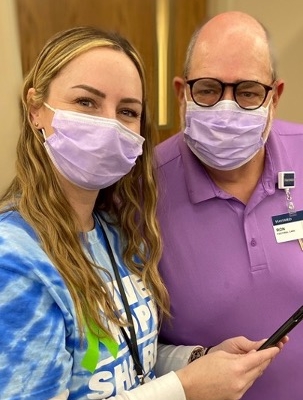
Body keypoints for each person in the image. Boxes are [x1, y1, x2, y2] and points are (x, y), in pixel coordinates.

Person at [0, 26, 284, 400]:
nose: (108, 123)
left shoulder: (112, 233)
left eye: (127, 111)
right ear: (36, 108)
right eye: (86, 102)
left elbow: (119, 362)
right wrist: (185, 389)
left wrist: (197, 360)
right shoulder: (14, 260)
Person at [155, 10, 303, 400]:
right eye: (207, 89)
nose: (227, 108)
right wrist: (195, 362)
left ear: (275, 97)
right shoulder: (140, 191)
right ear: (180, 93)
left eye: (248, 92)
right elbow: (116, 349)